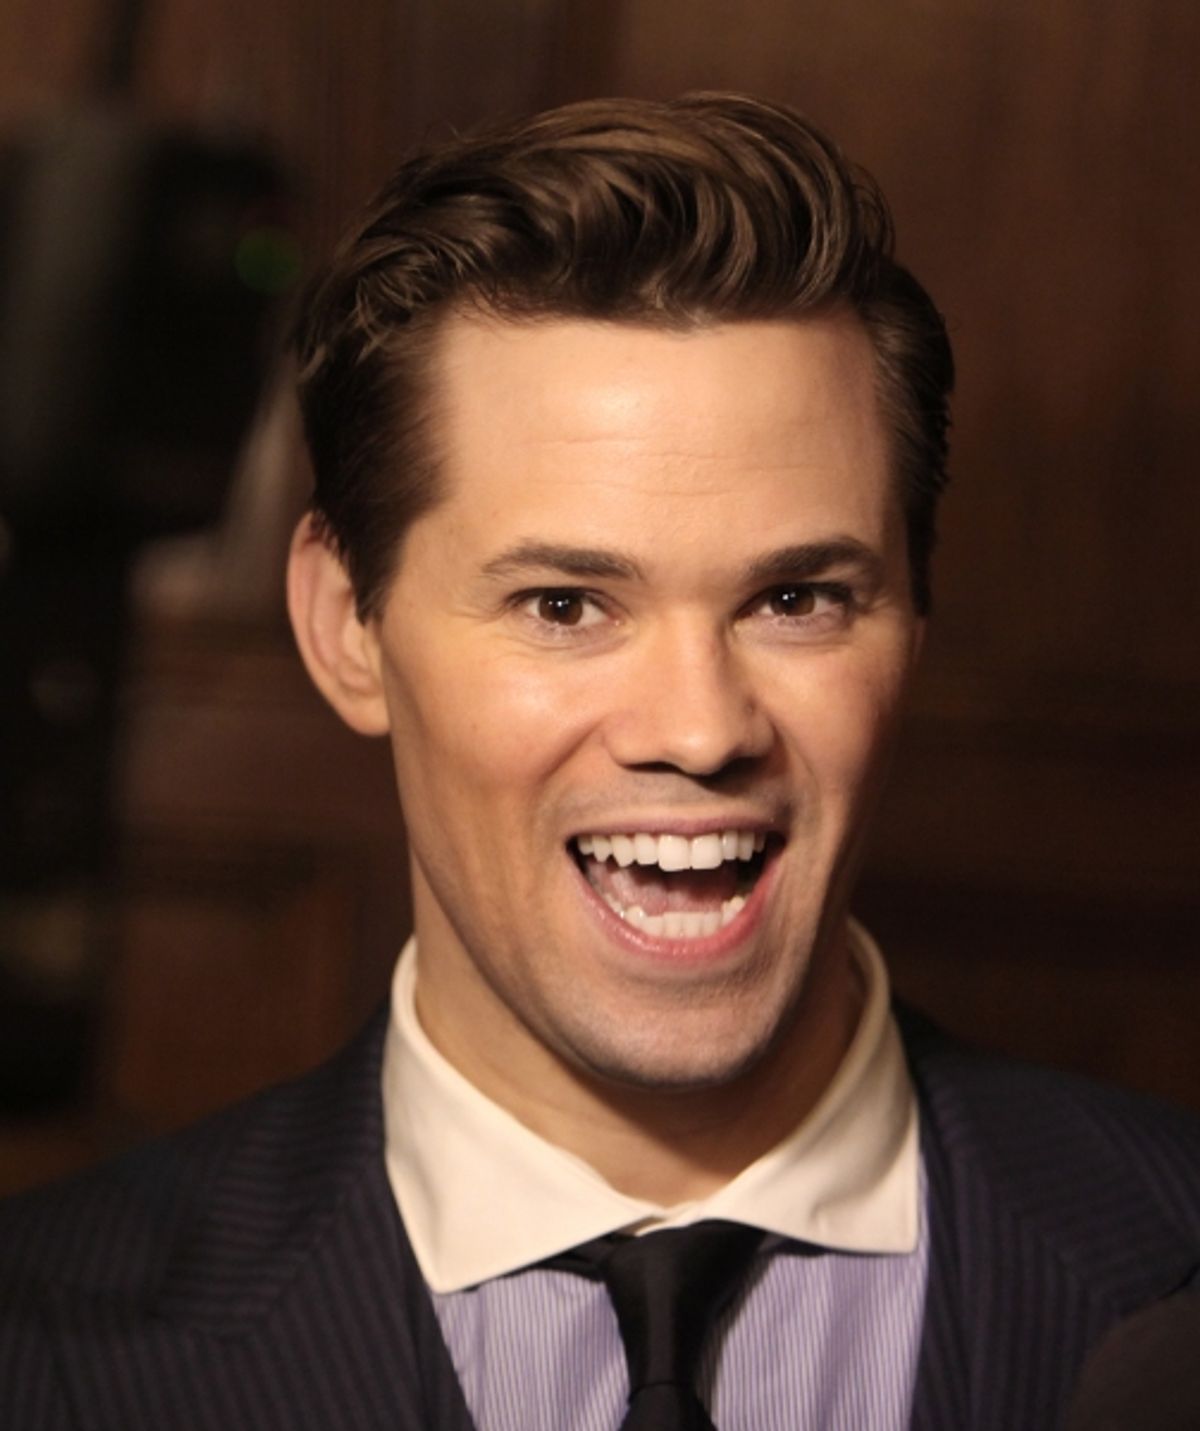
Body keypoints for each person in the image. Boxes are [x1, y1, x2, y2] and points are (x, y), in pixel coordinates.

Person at [2, 92, 1198, 1431]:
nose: (698, 729)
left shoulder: (1174, 1277)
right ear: (348, 627)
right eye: (566, 606)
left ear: (915, 622)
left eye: (796, 600)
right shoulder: (37, 1350)